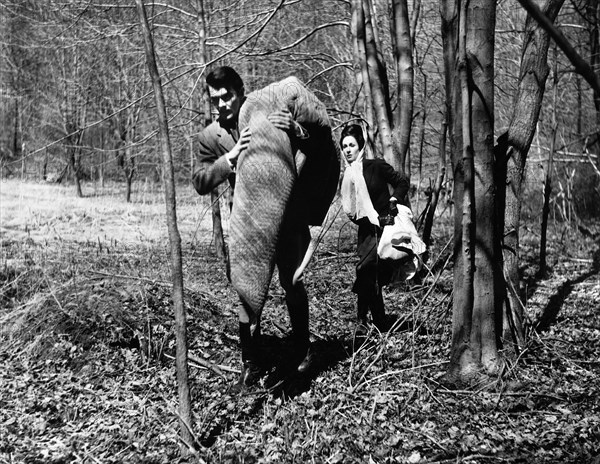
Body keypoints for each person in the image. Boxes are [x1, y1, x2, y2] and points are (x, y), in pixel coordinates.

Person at [192, 66, 313, 391]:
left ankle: (302, 349)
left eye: (226, 97)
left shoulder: (268, 111)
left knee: (293, 282)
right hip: (248, 226)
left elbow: (313, 150)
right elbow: (200, 182)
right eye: (214, 99)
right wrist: (229, 159)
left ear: (240, 92)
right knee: (245, 293)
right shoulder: (210, 137)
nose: (221, 105)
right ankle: (251, 361)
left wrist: (298, 130)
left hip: (288, 217)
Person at [340, 124, 410, 333]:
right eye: (344, 146)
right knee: (369, 275)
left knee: (366, 270)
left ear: (360, 145)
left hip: (384, 227)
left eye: (352, 145)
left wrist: (394, 199)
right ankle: (376, 322)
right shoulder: (347, 175)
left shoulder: (376, 166)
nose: (348, 150)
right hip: (365, 231)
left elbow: (402, 182)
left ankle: (364, 321)